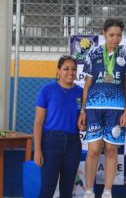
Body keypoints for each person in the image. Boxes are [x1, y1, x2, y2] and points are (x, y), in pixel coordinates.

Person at [78, 19, 126, 198]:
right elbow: (87, 84)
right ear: (104, 33)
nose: (115, 38)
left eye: (119, 35)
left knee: (111, 150)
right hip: (94, 108)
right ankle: (88, 191)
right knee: (94, 150)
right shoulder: (93, 54)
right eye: (111, 35)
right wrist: (83, 110)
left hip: (116, 109)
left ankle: (107, 191)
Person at [33, 55, 83, 198]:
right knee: (48, 187)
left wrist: (84, 125)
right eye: (66, 69)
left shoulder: (81, 92)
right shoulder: (47, 90)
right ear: (59, 70)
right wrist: (37, 150)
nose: (70, 72)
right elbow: (38, 122)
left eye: (74, 69)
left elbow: (84, 120)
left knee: (67, 189)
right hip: (51, 142)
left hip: (73, 143)